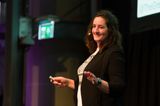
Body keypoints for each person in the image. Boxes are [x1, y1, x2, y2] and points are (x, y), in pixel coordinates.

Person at [49, 9, 126, 106]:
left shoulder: (113, 53)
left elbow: (118, 87)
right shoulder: (94, 54)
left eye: (101, 27)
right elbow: (85, 86)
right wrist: (67, 82)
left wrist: (97, 81)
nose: (96, 31)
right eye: (94, 26)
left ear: (110, 31)